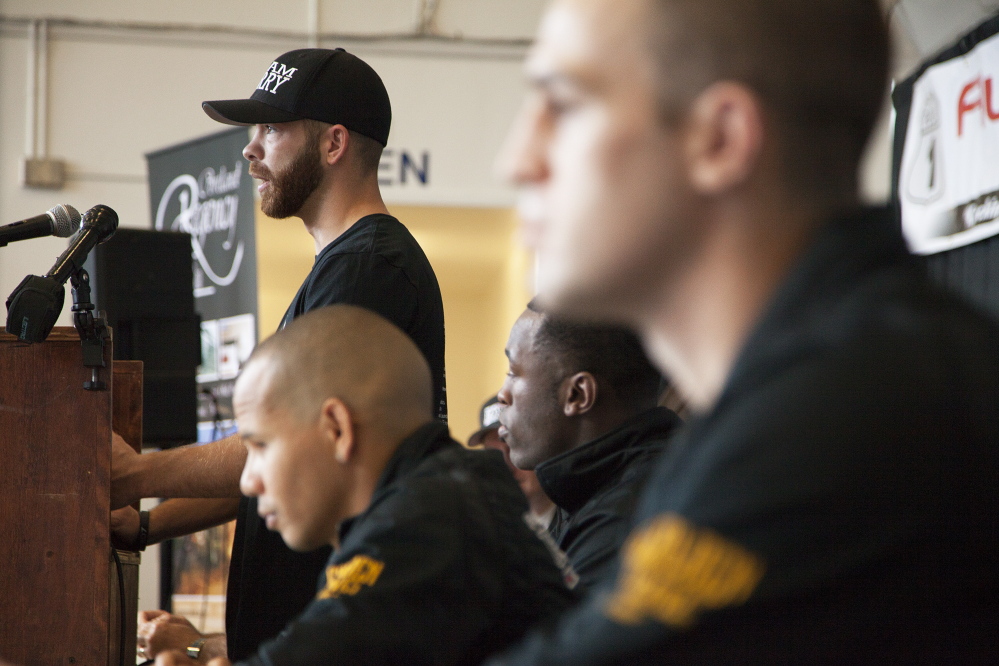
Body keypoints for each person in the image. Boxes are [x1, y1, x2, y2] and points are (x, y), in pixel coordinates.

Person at [489, 0, 999, 662]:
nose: (516, 160)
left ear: (720, 139)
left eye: (563, 105)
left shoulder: (845, 413)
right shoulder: (830, 375)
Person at [113, 47, 448, 661]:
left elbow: (294, 441)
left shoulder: (370, 267)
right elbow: (272, 456)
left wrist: (132, 474)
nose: (249, 148)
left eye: (271, 127)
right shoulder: (342, 266)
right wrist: (145, 523)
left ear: (334, 143)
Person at [150, 305, 574, 666]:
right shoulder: (445, 495)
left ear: (337, 429)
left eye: (260, 445)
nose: (248, 479)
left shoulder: (428, 521)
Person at [496, 300, 681, 592]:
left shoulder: (621, 520)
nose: (502, 395)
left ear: (577, 395)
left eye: (514, 372)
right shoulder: (591, 492)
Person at [468, 396, 557, 529]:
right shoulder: (488, 529)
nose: (506, 465)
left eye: (514, 448)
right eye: (494, 454)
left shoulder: (583, 519)